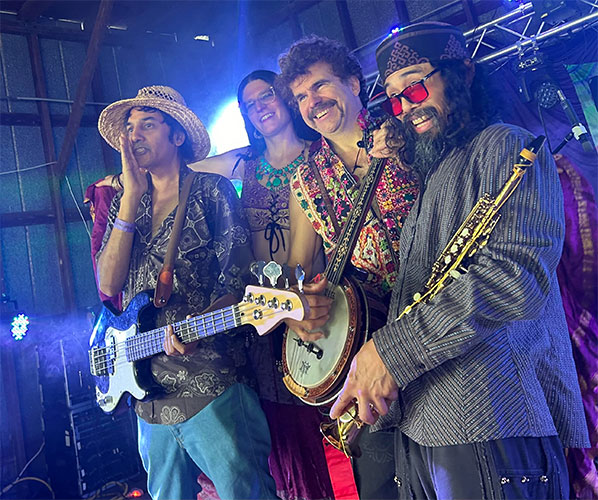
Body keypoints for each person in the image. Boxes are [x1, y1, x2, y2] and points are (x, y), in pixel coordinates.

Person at [319, 22, 588, 499]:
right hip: (426, 426)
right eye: (395, 99)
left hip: (490, 416)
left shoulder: (505, 144)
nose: (407, 106)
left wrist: (391, 352)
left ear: (462, 74)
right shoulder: (435, 172)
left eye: (416, 86)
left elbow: (515, 276)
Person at [88, 73, 334, 500]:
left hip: (213, 381)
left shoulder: (211, 191)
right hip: (147, 394)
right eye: (129, 127)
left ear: (177, 136)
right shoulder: (127, 203)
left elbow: (237, 278)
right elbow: (109, 284)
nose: (134, 135)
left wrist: (200, 324)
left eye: (147, 124)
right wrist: (128, 199)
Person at [277, 36, 419, 499]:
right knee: (383, 485)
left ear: (354, 83)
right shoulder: (305, 178)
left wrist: (405, 149)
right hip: (369, 336)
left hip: (438, 319)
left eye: (321, 86)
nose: (312, 102)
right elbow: (297, 270)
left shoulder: (407, 128)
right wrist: (298, 307)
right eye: (301, 96)